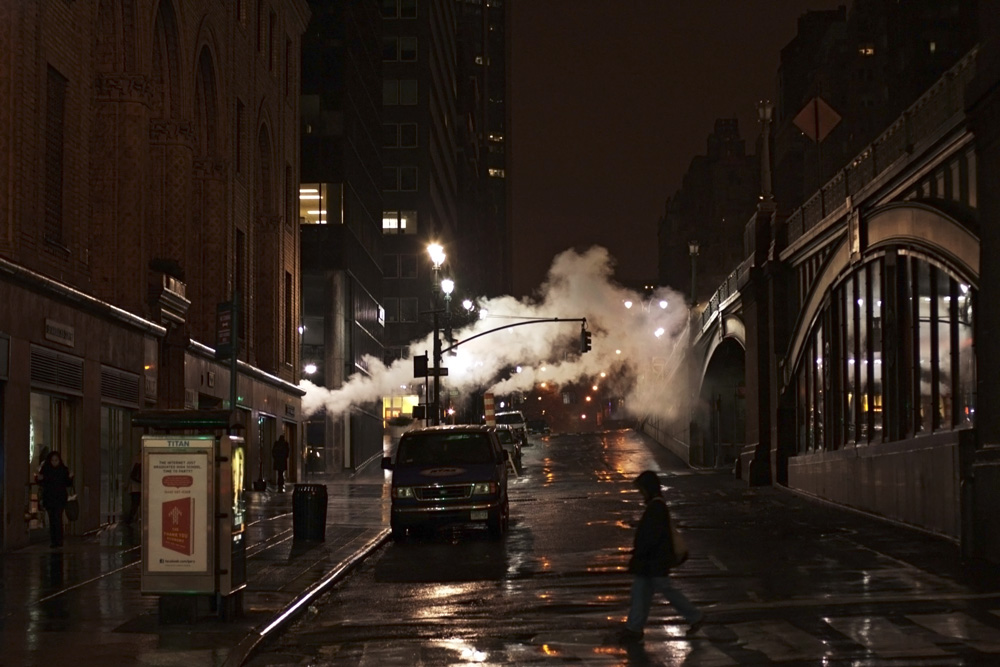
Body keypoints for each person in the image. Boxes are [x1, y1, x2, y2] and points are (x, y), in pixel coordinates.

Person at [618, 470, 704, 643]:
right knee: (642, 592)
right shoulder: (657, 505)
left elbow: (652, 537)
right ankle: (634, 628)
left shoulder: (656, 507)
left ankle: (695, 616)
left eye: (641, 489)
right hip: (652, 561)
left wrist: (640, 555)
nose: (640, 493)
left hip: (653, 562)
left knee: (659, 591)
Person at [35, 451, 74, 548]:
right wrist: (39, 478)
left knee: (57, 518)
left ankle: (58, 540)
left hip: (59, 498)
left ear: (59, 460)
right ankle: (54, 540)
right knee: (52, 519)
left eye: (56, 460)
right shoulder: (46, 469)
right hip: (49, 498)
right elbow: (40, 482)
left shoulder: (63, 470)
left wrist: (70, 478)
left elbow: (68, 483)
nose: (54, 462)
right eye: (52, 460)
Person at [125, 453, 142, 524]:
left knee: (135, 504)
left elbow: (130, 472)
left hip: (134, 486)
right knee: (136, 504)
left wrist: (126, 485)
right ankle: (132, 519)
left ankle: (131, 519)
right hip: (140, 486)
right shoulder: (144, 457)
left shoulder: (135, 458)